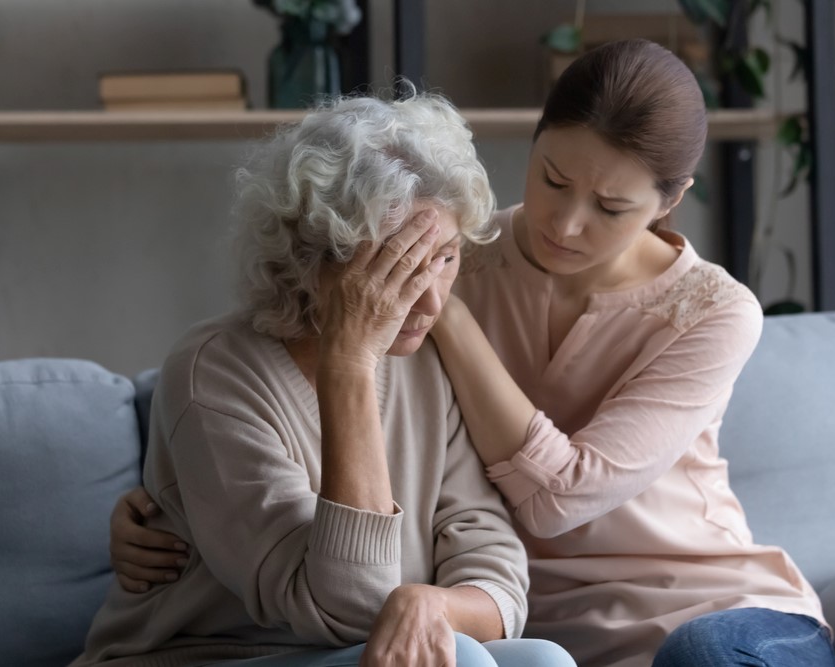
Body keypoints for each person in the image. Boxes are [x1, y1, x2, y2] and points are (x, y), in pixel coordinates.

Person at [110, 40, 835, 666]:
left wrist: (438, 312)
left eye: (612, 208)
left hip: (699, 604)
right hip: (509, 622)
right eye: (552, 179)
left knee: (696, 653)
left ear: (670, 200)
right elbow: (236, 390)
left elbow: (551, 503)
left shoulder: (706, 309)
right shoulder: (451, 247)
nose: (567, 224)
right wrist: (166, 500)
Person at [70, 88, 576, 667]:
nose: (429, 302)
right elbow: (349, 610)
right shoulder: (212, 372)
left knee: (543, 661)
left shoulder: (429, 362)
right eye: (395, 268)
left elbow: (496, 568)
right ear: (313, 261)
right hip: (212, 655)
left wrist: (435, 606)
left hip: (366, 653)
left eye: (445, 258)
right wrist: (350, 363)